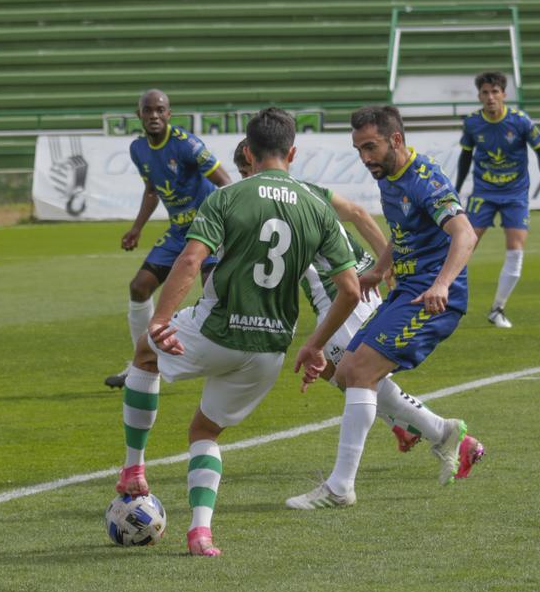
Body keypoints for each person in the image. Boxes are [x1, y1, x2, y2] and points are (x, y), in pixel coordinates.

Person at [115, 107, 360, 556]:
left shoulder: (227, 197)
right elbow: (349, 289)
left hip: (218, 331)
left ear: (247, 151)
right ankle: (200, 532)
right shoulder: (317, 206)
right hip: (270, 350)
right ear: (293, 151)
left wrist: (160, 320)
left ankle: (134, 468)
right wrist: (315, 345)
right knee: (205, 430)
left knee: (145, 355)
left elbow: (190, 261)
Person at [231, 141, 484, 476]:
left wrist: (387, 267)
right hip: (347, 285)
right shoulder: (309, 190)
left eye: (248, 171)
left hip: (341, 292)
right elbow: (358, 214)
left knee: (354, 373)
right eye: (243, 174)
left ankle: (441, 434)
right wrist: (384, 265)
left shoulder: (269, 202)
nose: (248, 179)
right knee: (338, 371)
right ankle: (411, 426)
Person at [286, 105, 479, 510]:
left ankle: (340, 488)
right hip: (404, 290)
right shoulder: (390, 177)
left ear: (395, 139)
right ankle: (444, 433)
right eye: (358, 150)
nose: (364, 158)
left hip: (431, 298)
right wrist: (378, 269)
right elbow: (404, 231)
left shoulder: (425, 179)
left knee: (356, 372)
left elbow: (465, 234)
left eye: (370, 147)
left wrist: (442, 284)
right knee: (346, 372)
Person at [104, 89, 232, 389]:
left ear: (169, 113)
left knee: (214, 291)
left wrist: (223, 224)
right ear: (140, 115)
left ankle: (225, 360)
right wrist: (137, 228)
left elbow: (224, 182)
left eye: (160, 110)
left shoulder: (187, 145)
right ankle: (141, 360)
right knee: (139, 287)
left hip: (206, 229)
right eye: (148, 110)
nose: (154, 116)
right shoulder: (138, 149)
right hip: (177, 232)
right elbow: (152, 189)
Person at [455, 71, 540, 329]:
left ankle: (497, 308)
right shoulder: (472, 123)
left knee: (515, 247)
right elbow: (465, 156)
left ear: (504, 94)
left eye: (495, 92)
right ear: (479, 96)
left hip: (515, 194)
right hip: (484, 193)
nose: (490, 97)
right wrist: (455, 188)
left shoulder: (520, 121)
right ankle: (444, 299)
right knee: (464, 245)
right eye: (485, 93)